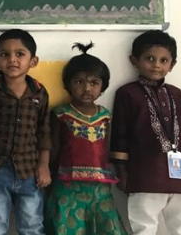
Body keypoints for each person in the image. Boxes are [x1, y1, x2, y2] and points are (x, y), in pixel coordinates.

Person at [111, 30, 181, 235]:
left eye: (164, 60)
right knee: (143, 227)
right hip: (145, 174)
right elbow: (120, 135)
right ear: (134, 60)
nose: (156, 65)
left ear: (172, 65)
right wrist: (122, 172)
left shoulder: (177, 95)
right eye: (149, 58)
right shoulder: (128, 93)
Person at [45, 43, 127, 235]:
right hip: (67, 185)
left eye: (94, 83)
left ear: (102, 86)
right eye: (79, 82)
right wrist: (49, 175)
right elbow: (54, 147)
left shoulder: (105, 116)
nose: (87, 88)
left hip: (100, 187)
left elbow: (107, 149)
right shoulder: (61, 113)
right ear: (68, 84)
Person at [0, 29, 51, 235]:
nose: (12, 59)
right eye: (5, 54)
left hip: (30, 170)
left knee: (31, 224)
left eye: (20, 54)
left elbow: (44, 131)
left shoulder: (39, 92)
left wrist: (44, 165)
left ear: (33, 61)